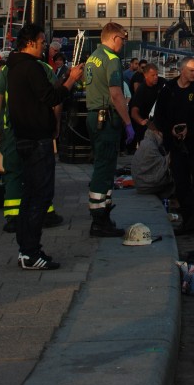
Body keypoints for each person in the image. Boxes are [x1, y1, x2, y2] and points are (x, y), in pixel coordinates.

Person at [6, 23, 83, 270]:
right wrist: (70, 80)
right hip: (37, 139)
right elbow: (51, 98)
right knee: (40, 194)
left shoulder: (14, 67)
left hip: (23, 136)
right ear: (29, 43)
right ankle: (30, 252)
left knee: (29, 195)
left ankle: (25, 249)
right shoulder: (30, 67)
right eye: (41, 43)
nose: (44, 48)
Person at [0, 54, 64, 232]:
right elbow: (56, 98)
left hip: (11, 127)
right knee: (40, 171)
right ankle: (45, 212)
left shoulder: (7, 69)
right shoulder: (43, 68)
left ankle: (13, 216)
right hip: (37, 128)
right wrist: (56, 123)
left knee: (13, 170)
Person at [153, 55, 194, 239]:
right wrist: (170, 130)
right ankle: (187, 220)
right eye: (192, 70)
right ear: (182, 70)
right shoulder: (168, 90)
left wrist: (191, 130)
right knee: (181, 184)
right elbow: (159, 117)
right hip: (176, 146)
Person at [83, 22, 135, 237]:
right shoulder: (112, 60)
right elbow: (116, 94)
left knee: (100, 165)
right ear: (114, 38)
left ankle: (102, 214)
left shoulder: (93, 56)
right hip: (106, 119)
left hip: (93, 116)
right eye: (122, 40)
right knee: (105, 169)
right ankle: (99, 219)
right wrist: (128, 123)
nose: (123, 44)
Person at [131, 121, 173, 198]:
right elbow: (160, 171)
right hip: (147, 185)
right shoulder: (149, 145)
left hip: (142, 185)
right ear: (156, 131)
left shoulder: (147, 142)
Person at [129, 63, 164, 148]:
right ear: (145, 75)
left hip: (160, 123)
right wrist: (141, 121)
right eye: (153, 75)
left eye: (157, 74)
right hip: (145, 126)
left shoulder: (163, 82)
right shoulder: (141, 90)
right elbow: (134, 112)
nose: (156, 77)